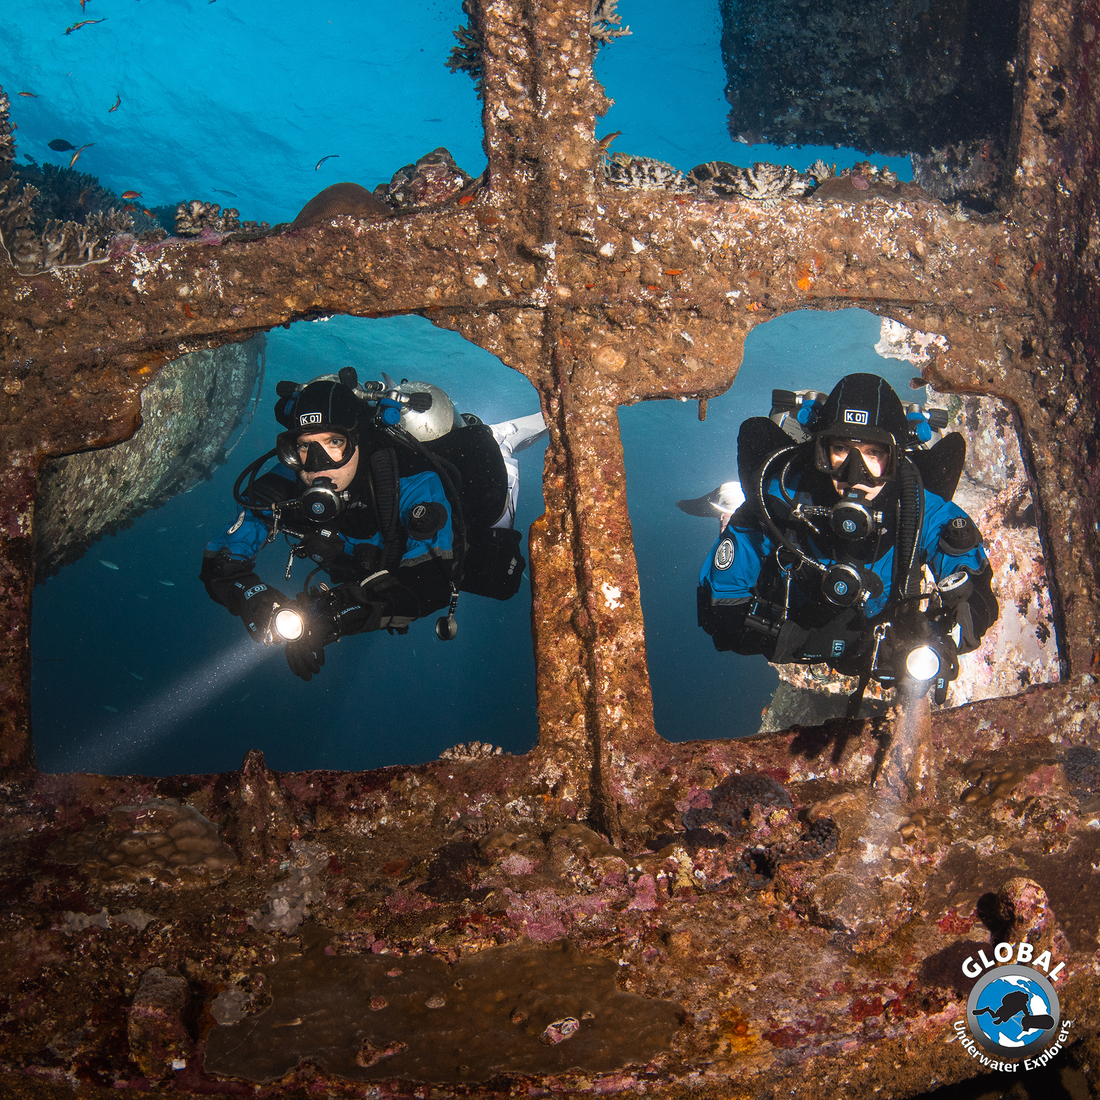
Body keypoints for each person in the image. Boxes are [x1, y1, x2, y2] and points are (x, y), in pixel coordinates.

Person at [201, 368, 545, 680]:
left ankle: (498, 438)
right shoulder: (282, 485)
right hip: (372, 558)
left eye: (334, 443)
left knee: (498, 578)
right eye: (305, 447)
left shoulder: (411, 481)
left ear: (357, 440)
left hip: (475, 501)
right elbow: (221, 560)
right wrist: (260, 604)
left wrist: (333, 618)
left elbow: (434, 580)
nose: (318, 465)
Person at [697, 372, 999, 714]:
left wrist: (942, 637)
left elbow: (977, 591)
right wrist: (795, 639)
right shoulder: (778, 503)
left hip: (883, 637)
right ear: (820, 451)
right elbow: (718, 610)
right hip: (799, 617)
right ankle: (730, 502)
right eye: (840, 450)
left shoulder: (921, 509)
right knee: (749, 491)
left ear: (895, 459)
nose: (855, 475)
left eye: (874, 454)